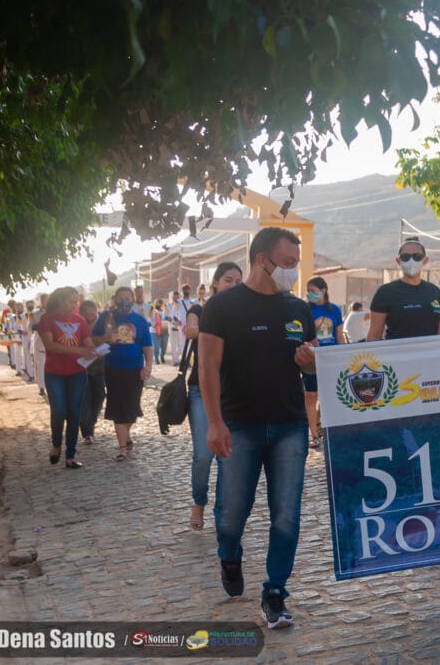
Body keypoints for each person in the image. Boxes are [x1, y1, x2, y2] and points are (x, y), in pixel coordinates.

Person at [199, 226, 316, 629]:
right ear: (260, 260)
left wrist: (310, 362)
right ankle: (229, 557)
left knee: (286, 516)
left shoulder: (299, 309)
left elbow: (311, 364)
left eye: (296, 265)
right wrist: (214, 422)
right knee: (231, 515)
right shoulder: (223, 307)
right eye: (287, 264)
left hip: (289, 426)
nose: (292, 272)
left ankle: (275, 594)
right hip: (239, 426)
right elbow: (207, 367)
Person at [183, 262, 243, 532]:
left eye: (238, 281)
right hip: (201, 389)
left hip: (233, 391)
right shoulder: (200, 310)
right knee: (203, 455)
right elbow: (191, 330)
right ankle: (199, 501)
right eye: (228, 280)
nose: (233, 285)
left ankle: (223, 511)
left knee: (228, 456)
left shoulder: (244, 313)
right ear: (216, 283)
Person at [91, 285, 152, 461]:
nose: (125, 300)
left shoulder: (139, 320)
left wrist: (148, 366)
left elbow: (147, 346)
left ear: (133, 299)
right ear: (116, 300)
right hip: (113, 369)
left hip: (135, 370)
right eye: (121, 297)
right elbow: (93, 339)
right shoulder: (107, 317)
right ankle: (122, 447)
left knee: (132, 409)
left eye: (128, 297)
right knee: (118, 408)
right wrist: (106, 338)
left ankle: (126, 435)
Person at [40, 287, 96, 468]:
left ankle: (70, 455)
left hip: (77, 373)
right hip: (55, 373)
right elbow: (50, 345)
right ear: (60, 301)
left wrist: (95, 351)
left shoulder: (80, 320)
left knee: (74, 413)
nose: (74, 305)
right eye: (71, 302)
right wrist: (79, 350)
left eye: (76, 302)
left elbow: (88, 345)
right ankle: (56, 444)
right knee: (58, 411)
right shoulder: (47, 319)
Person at [368, 237, 440, 341]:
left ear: (425, 260)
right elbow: (374, 336)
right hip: (397, 355)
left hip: (430, 355)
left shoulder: (434, 291)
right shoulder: (385, 293)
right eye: (405, 257)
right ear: (398, 261)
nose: (411, 261)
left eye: (417, 256)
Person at [303, 276, 344, 449]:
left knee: (328, 395)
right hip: (312, 359)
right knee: (311, 395)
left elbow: (339, 334)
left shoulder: (334, 309)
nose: (310, 294)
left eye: (313, 291)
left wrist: (343, 354)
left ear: (323, 290)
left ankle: (320, 425)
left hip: (331, 358)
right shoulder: (305, 310)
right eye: (309, 291)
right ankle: (313, 434)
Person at [78, 300, 106, 445]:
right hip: (81, 368)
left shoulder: (102, 324)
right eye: (86, 314)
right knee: (84, 399)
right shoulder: (77, 325)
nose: (90, 317)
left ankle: (92, 421)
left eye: (92, 313)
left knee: (100, 395)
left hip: (99, 367)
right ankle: (87, 432)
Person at [167, 289, 185, 362]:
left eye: (177, 297)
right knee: (173, 344)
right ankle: (175, 360)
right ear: (172, 297)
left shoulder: (182, 304)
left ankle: (183, 360)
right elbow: (165, 315)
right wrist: (171, 320)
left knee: (181, 344)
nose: (175, 299)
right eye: (174, 297)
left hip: (181, 327)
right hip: (172, 327)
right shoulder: (168, 305)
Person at [151, 298, 169, 364]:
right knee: (156, 346)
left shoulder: (165, 310)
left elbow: (168, 317)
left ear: (161, 304)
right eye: (155, 302)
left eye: (158, 302)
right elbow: (149, 319)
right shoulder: (152, 310)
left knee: (164, 346)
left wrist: (168, 318)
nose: (156, 304)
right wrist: (153, 324)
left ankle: (162, 355)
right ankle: (156, 359)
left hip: (164, 329)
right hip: (154, 331)